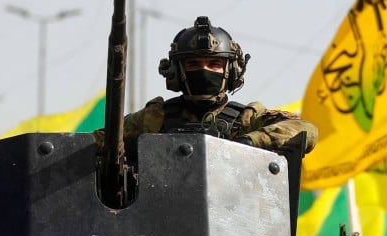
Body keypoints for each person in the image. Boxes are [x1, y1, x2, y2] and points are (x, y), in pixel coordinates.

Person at [94, 15, 318, 159]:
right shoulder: (153, 119)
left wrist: (250, 141)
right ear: (177, 72)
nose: (204, 70)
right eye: (193, 64)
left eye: (214, 64)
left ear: (232, 71)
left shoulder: (247, 119)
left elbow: (306, 130)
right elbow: (96, 144)